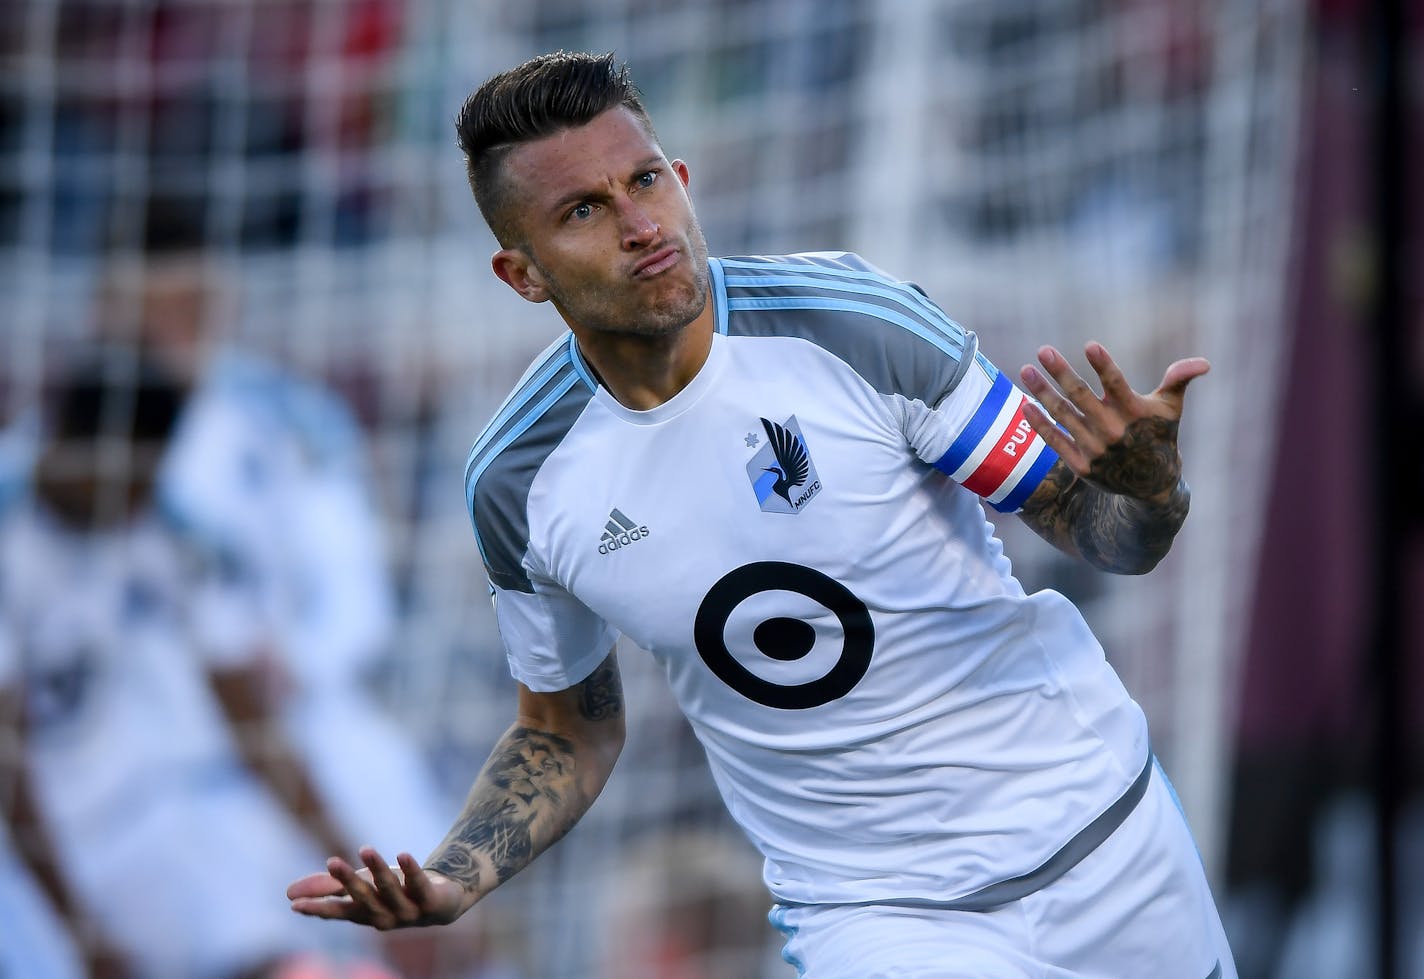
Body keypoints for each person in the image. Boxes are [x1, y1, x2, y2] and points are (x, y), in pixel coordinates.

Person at [288, 51, 1237, 978]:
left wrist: (1151, 490)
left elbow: (1101, 534)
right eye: (584, 209)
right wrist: (458, 873)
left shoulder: (857, 325)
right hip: (878, 915)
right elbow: (567, 727)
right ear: (522, 273)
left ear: (684, 179)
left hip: (1107, 835)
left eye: (646, 181)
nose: (639, 224)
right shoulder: (519, 482)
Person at [0, 349, 383, 978]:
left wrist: (359, 875)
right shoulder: (15, 546)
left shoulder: (176, 539)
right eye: (125, 479)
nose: (135, 497)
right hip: (49, 854)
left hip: (176, 823)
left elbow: (251, 722)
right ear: (65, 441)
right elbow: (12, 774)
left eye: (148, 478)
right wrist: (77, 930)